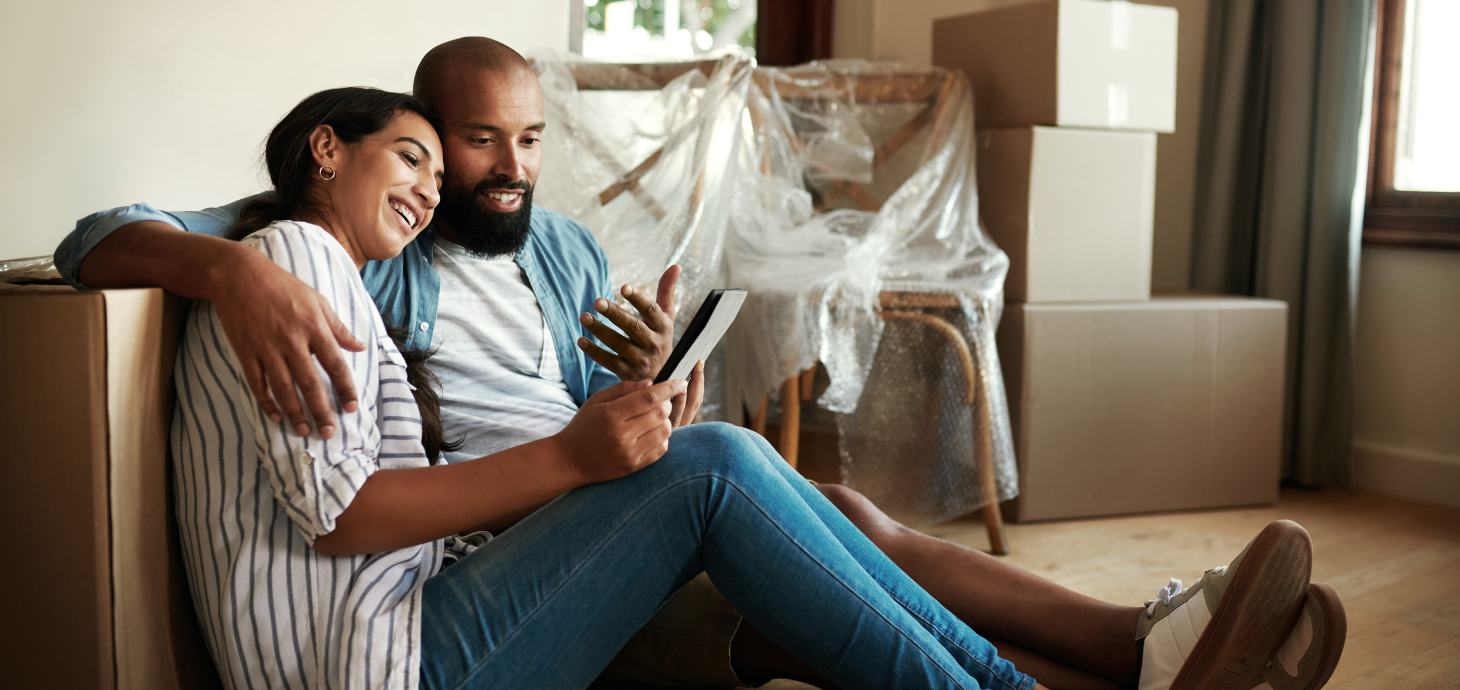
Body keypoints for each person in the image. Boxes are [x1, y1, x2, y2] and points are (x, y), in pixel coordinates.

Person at [54, 38, 1344, 690]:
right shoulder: (336, 256)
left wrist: (647, 378)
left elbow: (576, 409)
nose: (492, 172)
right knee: (739, 479)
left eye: (523, 143)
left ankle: (1138, 650)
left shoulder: (553, 250)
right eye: (451, 149)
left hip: (556, 521)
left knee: (822, 505)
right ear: (359, 145)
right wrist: (223, 268)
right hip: (481, 559)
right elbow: (98, 236)